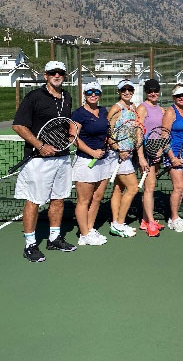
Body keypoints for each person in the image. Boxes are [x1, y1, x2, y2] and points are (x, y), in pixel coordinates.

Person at [12, 60, 77, 262]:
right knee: (34, 201)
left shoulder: (67, 97)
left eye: (60, 72)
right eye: (52, 72)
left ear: (64, 75)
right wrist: (40, 145)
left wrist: (72, 133)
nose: (57, 75)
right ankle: (30, 245)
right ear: (46, 75)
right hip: (39, 160)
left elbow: (65, 124)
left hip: (62, 158)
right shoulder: (34, 97)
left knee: (59, 199)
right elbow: (19, 126)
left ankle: (54, 239)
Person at [71, 81, 110, 246]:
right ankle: (84, 234)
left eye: (96, 92)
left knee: (97, 197)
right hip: (86, 162)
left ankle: (90, 228)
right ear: (85, 95)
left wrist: (106, 145)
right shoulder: (78, 114)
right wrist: (92, 152)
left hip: (103, 161)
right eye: (89, 92)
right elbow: (72, 137)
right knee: (84, 200)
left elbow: (106, 132)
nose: (93, 95)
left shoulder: (103, 111)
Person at [107, 79, 146, 238]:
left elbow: (137, 131)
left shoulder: (133, 108)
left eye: (130, 89)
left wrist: (140, 155)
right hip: (117, 156)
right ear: (119, 92)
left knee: (118, 188)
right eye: (124, 90)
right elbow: (107, 134)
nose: (127, 92)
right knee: (133, 188)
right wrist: (118, 149)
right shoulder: (116, 109)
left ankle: (115, 222)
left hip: (128, 155)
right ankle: (119, 223)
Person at [162, 85, 183, 232]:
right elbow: (164, 136)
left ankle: (175, 216)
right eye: (178, 95)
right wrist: (172, 157)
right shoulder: (170, 112)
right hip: (173, 153)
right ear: (174, 97)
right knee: (178, 186)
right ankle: (173, 218)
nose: (181, 97)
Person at [136, 78, 166, 237]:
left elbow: (163, 132)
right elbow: (139, 134)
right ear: (146, 92)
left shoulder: (161, 109)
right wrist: (141, 157)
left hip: (157, 150)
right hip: (146, 151)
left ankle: (145, 220)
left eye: (156, 90)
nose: (153, 93)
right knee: (150, 186)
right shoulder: (142, 108)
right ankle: (151, 223)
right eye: (150, 90)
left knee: (151, 186)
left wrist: (161, 148)